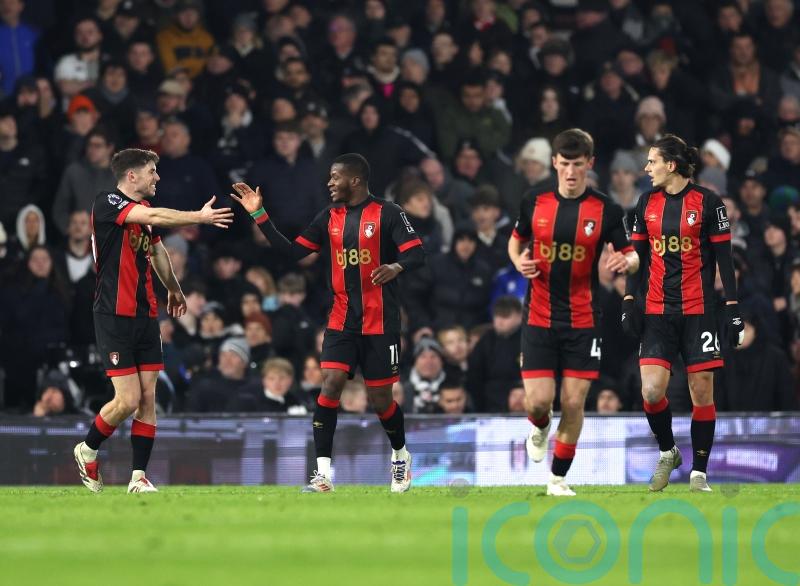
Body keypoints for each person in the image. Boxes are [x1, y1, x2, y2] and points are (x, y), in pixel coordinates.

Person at [230, 153, 425, 493]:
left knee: (381, 400)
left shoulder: (389, 213)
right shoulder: (329, 217)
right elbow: (292, 252)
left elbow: (417, 253)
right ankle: (323, 475)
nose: (330, 182)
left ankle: (400, 455)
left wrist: (396, 266)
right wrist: (259, 215)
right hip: (341, 320)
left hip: (380, 323)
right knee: (331, 384)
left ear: (355, 180)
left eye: (336, 177)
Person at [72, 148, 233, 495]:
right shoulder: (107, 203)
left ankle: (138, 477)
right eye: (151, 171)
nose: (157, 177)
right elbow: (157, 216)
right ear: (132, 176)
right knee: (127, 400)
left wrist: (173, 289)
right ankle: (87, 448)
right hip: (114, 314)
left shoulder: (143, 210)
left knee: (148, 398)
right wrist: (199, 217)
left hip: (146, 315)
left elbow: (157, 251)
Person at [508, 128, 638, 496]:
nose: (570, 172)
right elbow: (515, 242)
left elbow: (630, 253)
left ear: (589, 164)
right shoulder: (533, 201)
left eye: (577, 164)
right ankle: (539, 426)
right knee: (538, 402)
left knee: (573, 401)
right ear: (554, 162)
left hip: (583, 319)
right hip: (539, 315)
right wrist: (518, 262)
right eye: (564, 164)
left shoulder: (606, 209)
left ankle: (557, 479)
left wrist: (625, 263)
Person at [622, 134, 743, 494]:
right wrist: (629, 300)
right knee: (651, 391)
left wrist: (733, 308)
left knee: (701, 392)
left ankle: (699, 474)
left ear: (671, 165)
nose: (647, 168)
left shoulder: (708, 203)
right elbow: (637, 259)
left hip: (698, 311)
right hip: (657, 311)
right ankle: (668, 451)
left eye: (652, 161)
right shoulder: (646, 203)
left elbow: (725, 260)